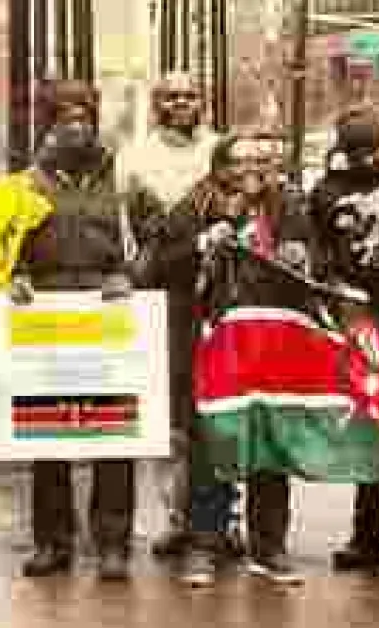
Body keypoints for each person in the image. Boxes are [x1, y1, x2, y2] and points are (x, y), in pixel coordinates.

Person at [140, 130, 310, 588]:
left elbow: (317, 263)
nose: (251, 169)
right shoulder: (194, 205)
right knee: (209, 444)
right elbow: (157, 266)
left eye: (260, 160)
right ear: (219, 167)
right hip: (212, 340)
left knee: (270, 445)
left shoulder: (288, 206)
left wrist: (301, 255)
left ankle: (269, 547)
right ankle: (204, 543)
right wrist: (202, 244)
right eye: (239, 161)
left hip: (270, 340)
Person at [16, 79, 148, 582]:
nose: (76, 127)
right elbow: (5, 244)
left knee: (113, 429)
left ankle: (112, 542)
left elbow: (158, 236)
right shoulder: (26, 182)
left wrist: (129, 275)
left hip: (107, 309)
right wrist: (17, 277)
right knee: (45, 431)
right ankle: (53, 541)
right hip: (46, 312)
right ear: (48, 124)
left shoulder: (124, 176)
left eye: (84, 117)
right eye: (65, 117)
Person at [307, 105, 379, 572]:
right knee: (370, 420)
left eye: (374, 149)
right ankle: (367, 534)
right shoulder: (327, 192)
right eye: (358, 152)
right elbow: (318, 251)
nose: (368, 159)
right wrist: (332, 288)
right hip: (359, 315)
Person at [116, 71, 220, 559]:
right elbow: (125, 232)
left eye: (189, 95)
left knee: (216, 407)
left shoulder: (219, 150)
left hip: (216, 293)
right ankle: (176, 517)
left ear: (202, 101)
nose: (181, 103)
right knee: (169, 410)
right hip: (160, 295)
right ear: (158, 103)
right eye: (171, 96)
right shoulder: (134, 156)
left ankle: (221, 517)